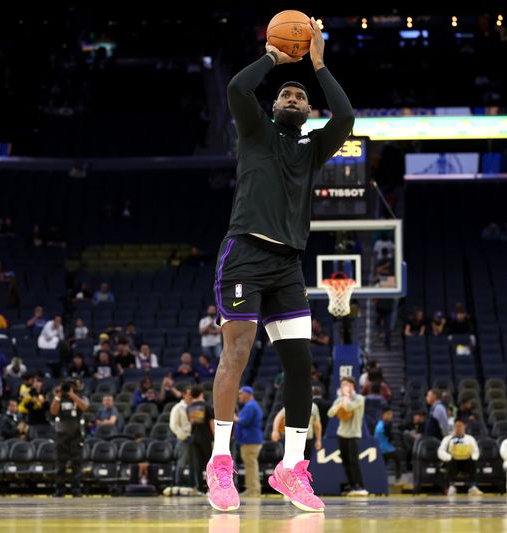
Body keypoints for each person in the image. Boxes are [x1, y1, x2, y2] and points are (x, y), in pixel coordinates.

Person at [207, 18, 354, 513]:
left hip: (288, 263)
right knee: (238, 353)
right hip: (245, 253)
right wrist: (276, 56)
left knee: (301, 367)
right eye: (285, 95)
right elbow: (235, 86)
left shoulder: (313, 149)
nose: (292, 98)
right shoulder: (254, 132)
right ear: (273, 106)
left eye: (300, 97)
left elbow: (347, 117)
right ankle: (220, 463)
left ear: (309, 111)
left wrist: (317, 63)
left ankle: (291, 468)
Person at [328, 377, 367, 496]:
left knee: (354, 461)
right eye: (342, 385)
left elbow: (348, 407)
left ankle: (360, 486)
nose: (343, 386)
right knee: (345, 462)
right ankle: (352, 486)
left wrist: (344, 397)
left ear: (352, 386)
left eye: (345, 384)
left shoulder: (359, 398)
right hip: (341, 434)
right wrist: (340, 401)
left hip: (354, 434)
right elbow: (330, 413)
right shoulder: (340, 399)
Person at [50, 379, 88, 497]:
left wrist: (73, 395)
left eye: (71, 386)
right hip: (61, 435)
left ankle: (76, 490)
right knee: (60, 464)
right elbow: (53, 411)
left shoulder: (81, 397)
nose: (68, 388)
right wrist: (57, 397)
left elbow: (85, 407)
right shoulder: (59, 397)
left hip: (76, 435)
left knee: (76, 464)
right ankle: (60, 490)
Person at [438, 419, 483, 496]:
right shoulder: (447, 439)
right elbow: (440, 451)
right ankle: (451, 486)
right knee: (450, 462)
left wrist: (472, 457)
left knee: (473, 462)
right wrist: (449, 457)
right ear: (454, 427)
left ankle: (473, 487)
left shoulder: (470, 439)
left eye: (460, 426)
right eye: (457, 426)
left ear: (464, 427)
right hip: (453, 462)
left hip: (466, 462)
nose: (458, 428)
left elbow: (476, 452)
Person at [234, 386, 263, 498]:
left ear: (248, 394)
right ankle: (252, 489)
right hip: (250, 440)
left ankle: (253, 490)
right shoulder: (250, 405)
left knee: (251, 465)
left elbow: (243, 422)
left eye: (241, 394)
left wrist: (233, 417)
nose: (239, 396)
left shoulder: (250, 406)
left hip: (250, 440)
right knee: (250, 465)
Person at [187, 386, 214, 495]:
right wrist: (216, 438)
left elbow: (191, 422)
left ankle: (200, 489)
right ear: (201, 393)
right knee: (210, 464)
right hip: (206, 438)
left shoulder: (188, 407)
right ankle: (211, 488)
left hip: (194, 438)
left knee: (197, 464)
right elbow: (211, 423)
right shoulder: (207, 406)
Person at [169, 386, 194, 490]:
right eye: (189, 394)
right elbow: (173, 425)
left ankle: (193, 485)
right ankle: (178, 485)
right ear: (184, 395)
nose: (192, 396)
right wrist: (183, 436)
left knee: (194, 464)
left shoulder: (195, 407)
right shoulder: (178, 407)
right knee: (182, 463)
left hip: (196, 438)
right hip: (184, 438)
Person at [374, 408, 401, 483]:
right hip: (387, 449)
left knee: (383, 465)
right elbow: (389, 436)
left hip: (379, 449)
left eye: (391, 414)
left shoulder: (378, 424)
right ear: (384, 415)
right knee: (398, 460)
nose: (391, 416)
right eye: (389, 414)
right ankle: (397, 478)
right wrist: (391, 439)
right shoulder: (387, 424)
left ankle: (380, 480)